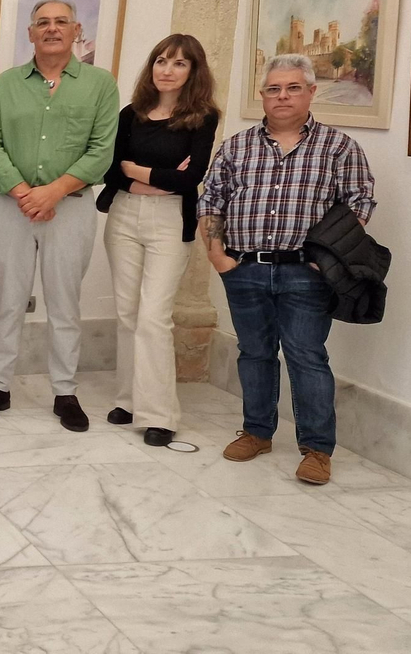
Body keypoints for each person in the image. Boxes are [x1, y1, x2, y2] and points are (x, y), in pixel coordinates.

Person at [200, 54, 374, 486]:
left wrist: (327, 258)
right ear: (262, 95)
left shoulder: (338, 147)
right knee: (254, 353)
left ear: (311, 92)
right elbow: (211, 199)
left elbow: (359, 204)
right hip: (244, 269)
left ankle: (316, 449)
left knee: (307, 357)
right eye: (273, 89)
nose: (282, 96)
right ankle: (257, 432)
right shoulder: (237, 146)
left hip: (306, 274)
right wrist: (217, 254)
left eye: (293, 87)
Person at [0, 0, 118, 432]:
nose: (51, 29)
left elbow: (101, 150)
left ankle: (65, 391)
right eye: (42, 23)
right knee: (7, 300)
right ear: (30, 34)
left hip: (69, 209)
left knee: (65, 303)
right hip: (10, 207)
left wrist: (53, 191)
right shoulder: (6, 84)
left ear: (76, 31)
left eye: (60, 22)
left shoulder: (100, 85)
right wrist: (24, 193)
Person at [97, 34, 220, 447]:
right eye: (162, 61)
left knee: (154, 317)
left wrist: (138, 170)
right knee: (128, 313)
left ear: (193, 72)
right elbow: (110, 170)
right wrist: (150, 175)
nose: (167, 70)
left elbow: (190, 179)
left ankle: (160, 414)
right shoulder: (130, 113)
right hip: (124, 217)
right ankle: (129, 400)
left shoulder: (203, 117)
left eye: (179, 63)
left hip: (170, 222)